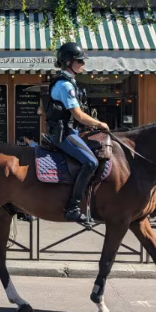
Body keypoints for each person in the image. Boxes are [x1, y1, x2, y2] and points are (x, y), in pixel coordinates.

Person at [46, 42, 109, 224]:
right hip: (63, 134)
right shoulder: (65, 86)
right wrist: (99, 123)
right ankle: (73, 207)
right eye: (79, 61)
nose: (83, 64)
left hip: (69, 130)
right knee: (90, 162)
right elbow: (78, 115)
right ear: (68, 62)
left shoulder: (68, 82)